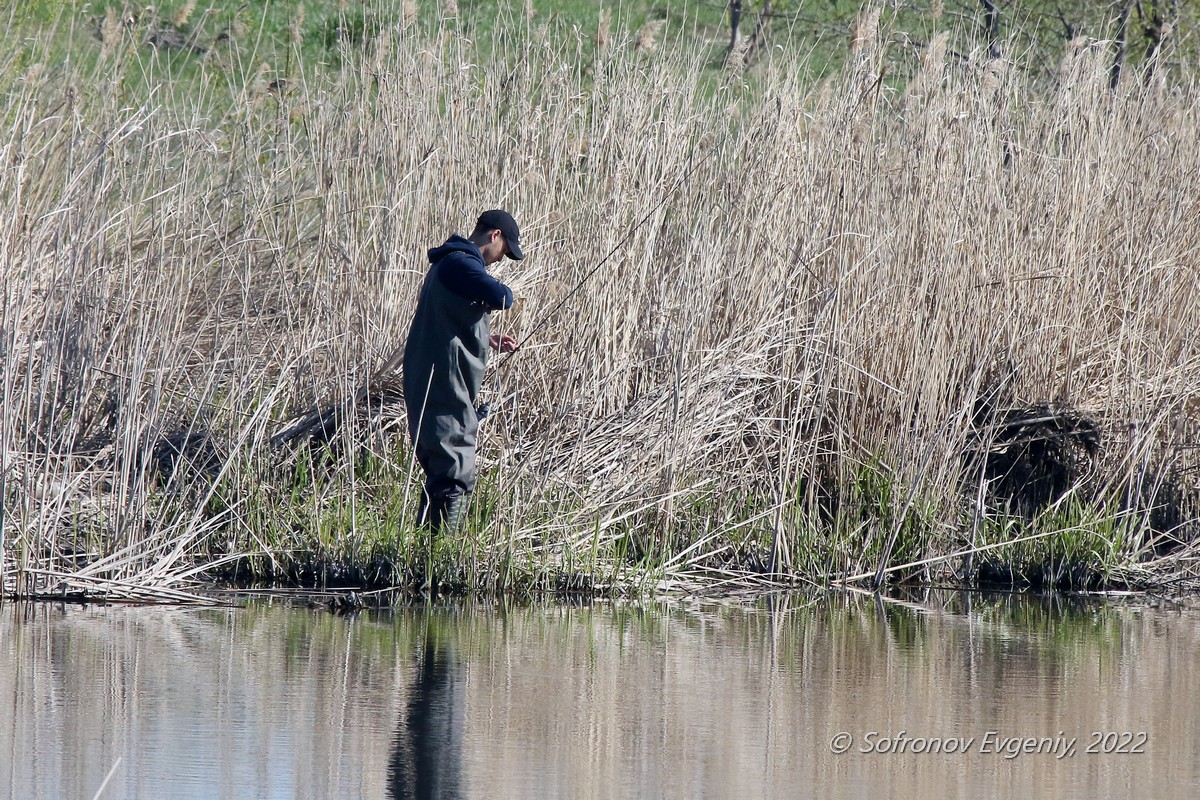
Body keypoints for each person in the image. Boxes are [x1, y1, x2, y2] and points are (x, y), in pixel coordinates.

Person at [402, 209, 522, 532]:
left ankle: (426, 553)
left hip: (431, 379)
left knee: (444, 468)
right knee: (454, 467)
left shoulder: (448, 263)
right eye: (505, 251)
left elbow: (446, 318)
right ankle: (439, 559)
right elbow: (501, 296)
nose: (501, 259)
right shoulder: (461, 263)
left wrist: (487, 337)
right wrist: (504, 295)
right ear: (494, 235)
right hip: (442, 383)